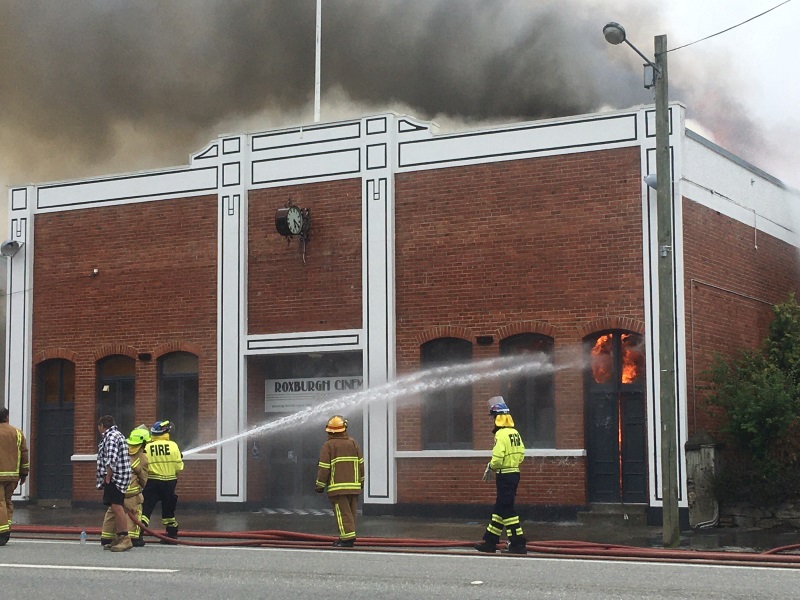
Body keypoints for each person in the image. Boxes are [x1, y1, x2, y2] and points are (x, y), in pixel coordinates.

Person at [475, 397, 528, 555]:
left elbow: (497, 458)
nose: (492, 421)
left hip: (504, 476)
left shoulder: (501, 435)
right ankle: (490, 542)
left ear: (498, 418)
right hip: (514, 473)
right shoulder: (514, 433)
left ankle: (518, 543)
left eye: (494, 417)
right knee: (499, 509)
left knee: (507, 510)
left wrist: (491, 466)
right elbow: (522, 453)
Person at [315, 415, 365, 547]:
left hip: (338, 488)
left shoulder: (328, 445)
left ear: (329, 431)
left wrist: (320, 486)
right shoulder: (353, 443)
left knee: (342, 514)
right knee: (351, 513)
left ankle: (346, 540)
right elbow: (361, 464)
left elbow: (324, 468)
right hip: (354, 487)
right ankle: (349, 536)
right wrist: (361, 482)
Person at [100, 426, 149, 548]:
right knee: (134, 514)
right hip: (132, 496)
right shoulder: (142, 457)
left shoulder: (121, 451)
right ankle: (129, 538)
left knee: (112, 513)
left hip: (117, 490)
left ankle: (107, 537)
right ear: (143, 443)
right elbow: (143, 479)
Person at [142, 420, 183, 543]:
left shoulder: (147, 447)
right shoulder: (173, 445)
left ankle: (138, 534)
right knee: (168, 509)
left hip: (152, 481)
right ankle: (171, 534)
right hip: (170, 482)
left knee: (146, 509)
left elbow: (143, 466)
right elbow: (179, 467)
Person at [96, 415, 133, 552]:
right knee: (116, 506)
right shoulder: (118, 435)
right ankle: (119, 536)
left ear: (101, 426)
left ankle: (125, 538)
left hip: (115, 478)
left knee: (117, 507)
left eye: (98, 427)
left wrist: (107, 477)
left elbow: (111, 458)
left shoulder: (110, 437)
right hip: (120, 477)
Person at [0, 407, 29, 547]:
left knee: (0, 503)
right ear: (6, 417)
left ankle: (2, 533)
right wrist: (24, 473)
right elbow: (24, 454)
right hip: (12, 476)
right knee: (7, 502)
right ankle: (7, 529)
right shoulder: (17, 433)